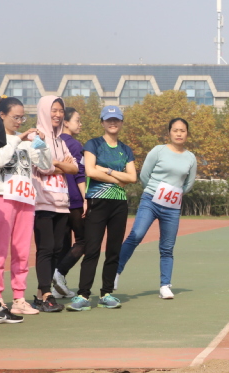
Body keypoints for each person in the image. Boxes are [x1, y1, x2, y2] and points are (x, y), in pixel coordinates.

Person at [115, 118, 196, 300]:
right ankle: (115, 272)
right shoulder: (158, 151)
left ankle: (165, 286)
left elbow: (189, 184)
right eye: (175, 130)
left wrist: (174, 193)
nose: (179, 134)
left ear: (187, 134)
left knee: (167, 247)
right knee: (136, 235)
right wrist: (155, 191)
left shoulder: (190, 157)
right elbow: (144, 175)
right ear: (169, 132)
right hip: (151, 201)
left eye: (182, 130)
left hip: (172, 207)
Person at [0, 97, 51, 317]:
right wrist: (17, 139)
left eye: (22, 118)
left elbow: (45, 165)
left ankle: (19, 298)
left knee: (22, 251)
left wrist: (42, 145)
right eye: (16, 117)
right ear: (1, 115)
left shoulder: (25, 141)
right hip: (2, 197)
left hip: (25, 199)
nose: (19, 122)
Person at [68, 106, 137, 311]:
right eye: (109, 120)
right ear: (102, 122)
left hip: (119, 204)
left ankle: (106, 293)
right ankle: (83, 295)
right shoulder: (93, 144)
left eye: (116, 119)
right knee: (92, 249)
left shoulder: (126, 149)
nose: (112, 123)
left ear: (121, 122)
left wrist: (106, 170)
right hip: (97, 202)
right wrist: (118, 178)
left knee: (114, 250)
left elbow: (132, 177)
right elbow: (90, 171)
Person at [32, 96, 78, 313]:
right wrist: (60, 166)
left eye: (61, 111)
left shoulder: (61, 141)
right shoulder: (36, 136)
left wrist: (56, 164)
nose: (58, 115)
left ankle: (41, 295)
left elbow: (75, 168)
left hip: (61, 203)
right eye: (54, 110)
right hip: (42, 202)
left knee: (57, 248)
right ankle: (46, 293)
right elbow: (42, 167)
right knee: (46, 248)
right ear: (44, 111)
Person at [52, 107, 86, 299]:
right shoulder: (73, 144)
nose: (80, 124)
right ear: (66, 122)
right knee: (84, 240)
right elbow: (80, 174)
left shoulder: (54, 142)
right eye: (77, 120)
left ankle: (57, 288)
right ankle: (59, 273)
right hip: (73, 200)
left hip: (56, 199)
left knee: (63, 245)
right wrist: (85, 198)